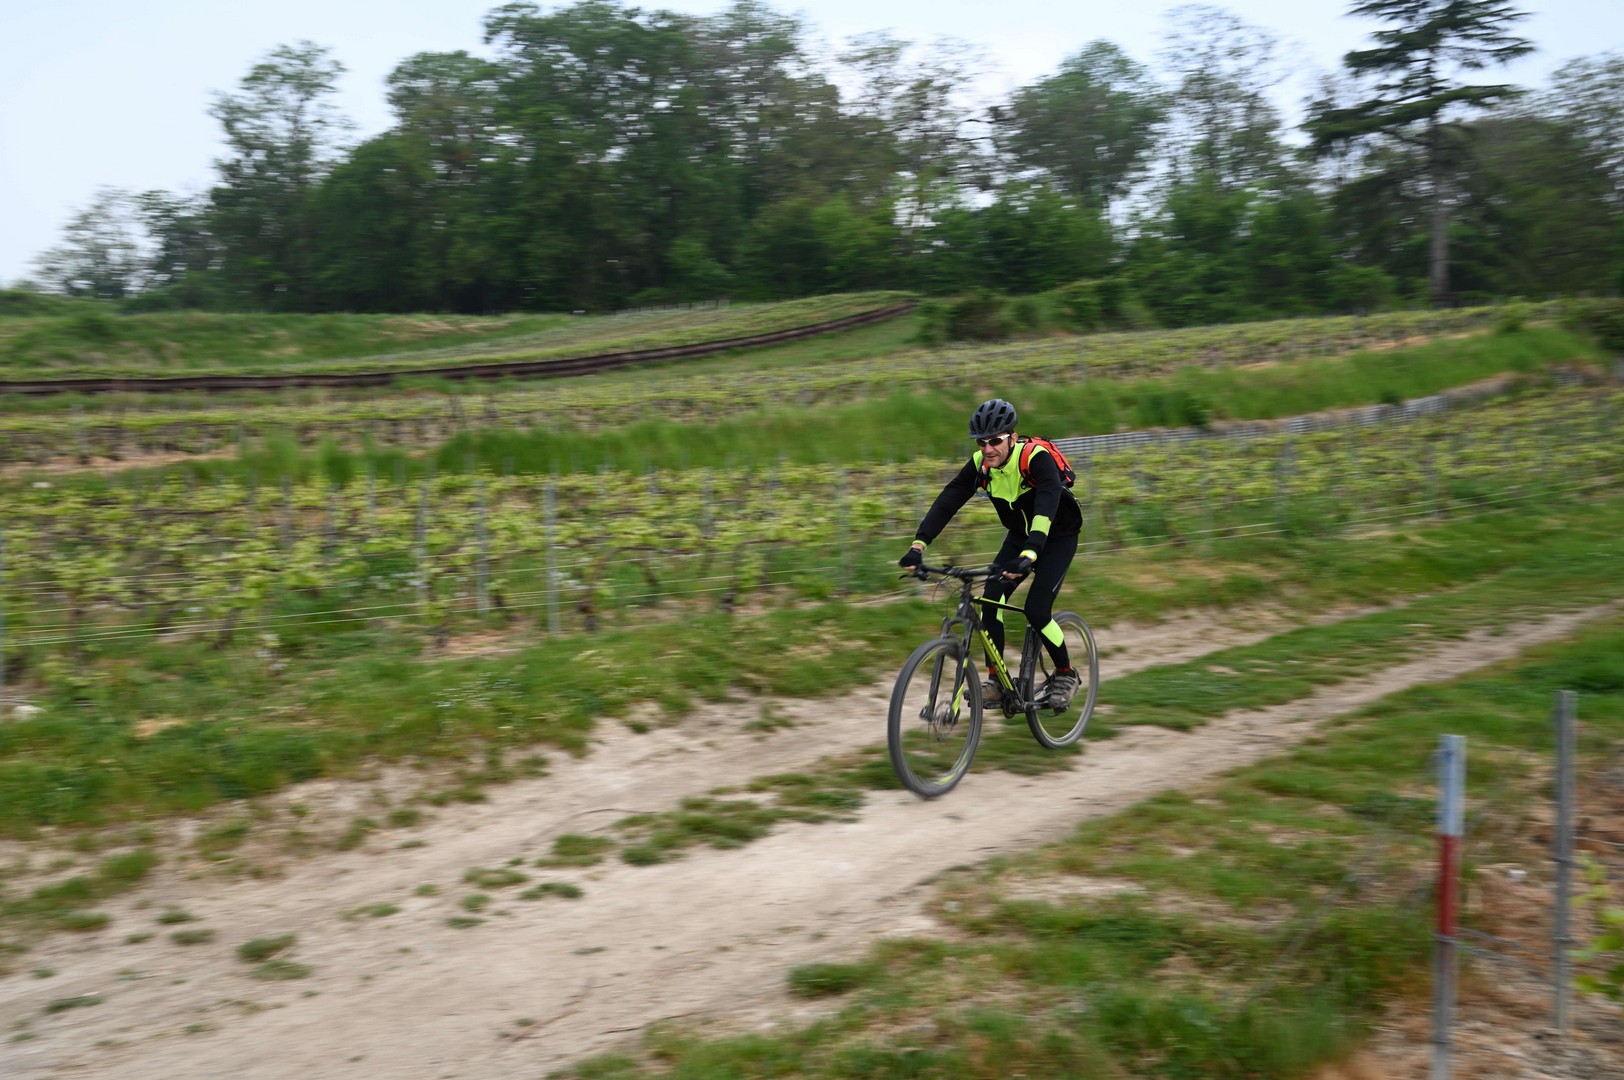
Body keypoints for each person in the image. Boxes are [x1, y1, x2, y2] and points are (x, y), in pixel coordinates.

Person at [898, 398, 1084, 711]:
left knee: (1037, 609)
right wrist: (919, 546)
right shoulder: (981, 466)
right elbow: (948, 501)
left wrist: (1031, 553)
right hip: (1020, 537)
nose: (988, 449)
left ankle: (1066, 674)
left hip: (1057, 536)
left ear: (1013, 437)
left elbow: (1045, 507)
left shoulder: (1035, 459)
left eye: (995, 441)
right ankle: (997, 681)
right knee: (991, 600)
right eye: (981, 442)